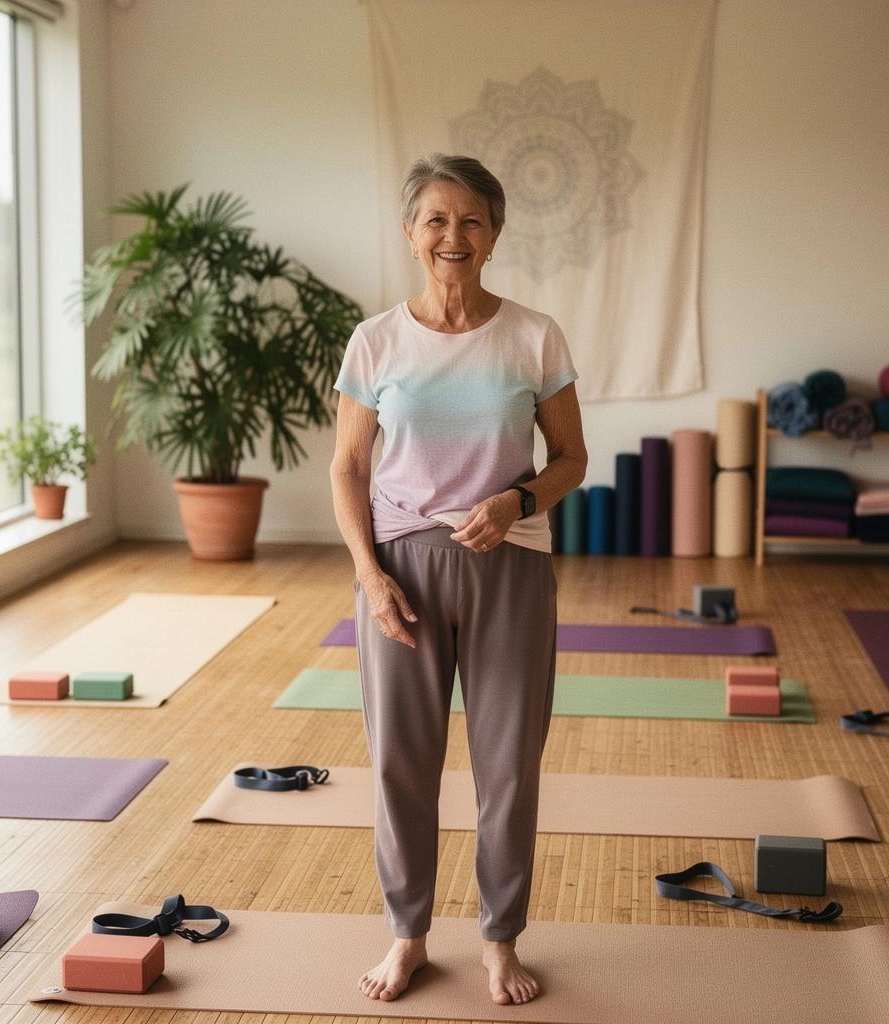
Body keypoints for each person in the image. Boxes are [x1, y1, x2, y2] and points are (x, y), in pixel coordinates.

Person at [329, 152, 587, 1006]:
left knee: (508, 763)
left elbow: (572, 459)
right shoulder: (375, 341)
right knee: (402, 761)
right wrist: (369, 576)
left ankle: (500, 942)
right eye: (436, 220)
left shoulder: (534, 334)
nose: (453, 235)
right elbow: (346, 470)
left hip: (509, 565)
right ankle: (407, 936)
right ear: (411, 234)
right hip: (400, 569)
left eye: (471, 220)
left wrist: (516, 500)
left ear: (495, 233)